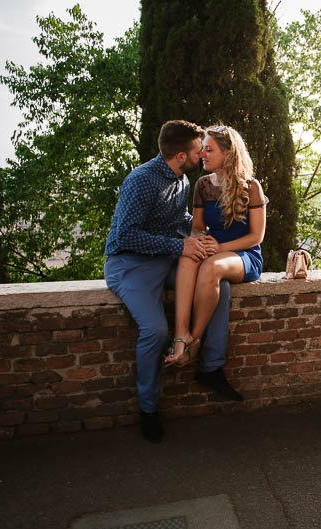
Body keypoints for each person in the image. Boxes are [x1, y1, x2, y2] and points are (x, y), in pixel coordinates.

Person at [104, 120, 239, 443]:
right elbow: (127, 235)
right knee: (155, 330)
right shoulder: (141, 181)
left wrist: (204, 237)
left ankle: (210, 366)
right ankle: (148, 409)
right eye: (197, 150)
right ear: (181, 155)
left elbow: (175, 221)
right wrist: (180, 245)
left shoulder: (180, 180)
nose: (202, 154)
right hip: (129, 264)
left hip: (164, 261)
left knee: (218, 285)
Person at [163, 125, 266, 391]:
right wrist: (199, 241)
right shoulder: (202, 186)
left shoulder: (251, 187)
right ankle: (180, 334)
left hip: (243, 254)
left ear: (229, 153)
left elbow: (256, 237)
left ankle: (192, 342)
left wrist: (218, 248)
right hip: (215, 249)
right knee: (188, 255)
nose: (202, 155)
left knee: (210, 268)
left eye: (209, 150)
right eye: (202, 149)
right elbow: (197, 226)